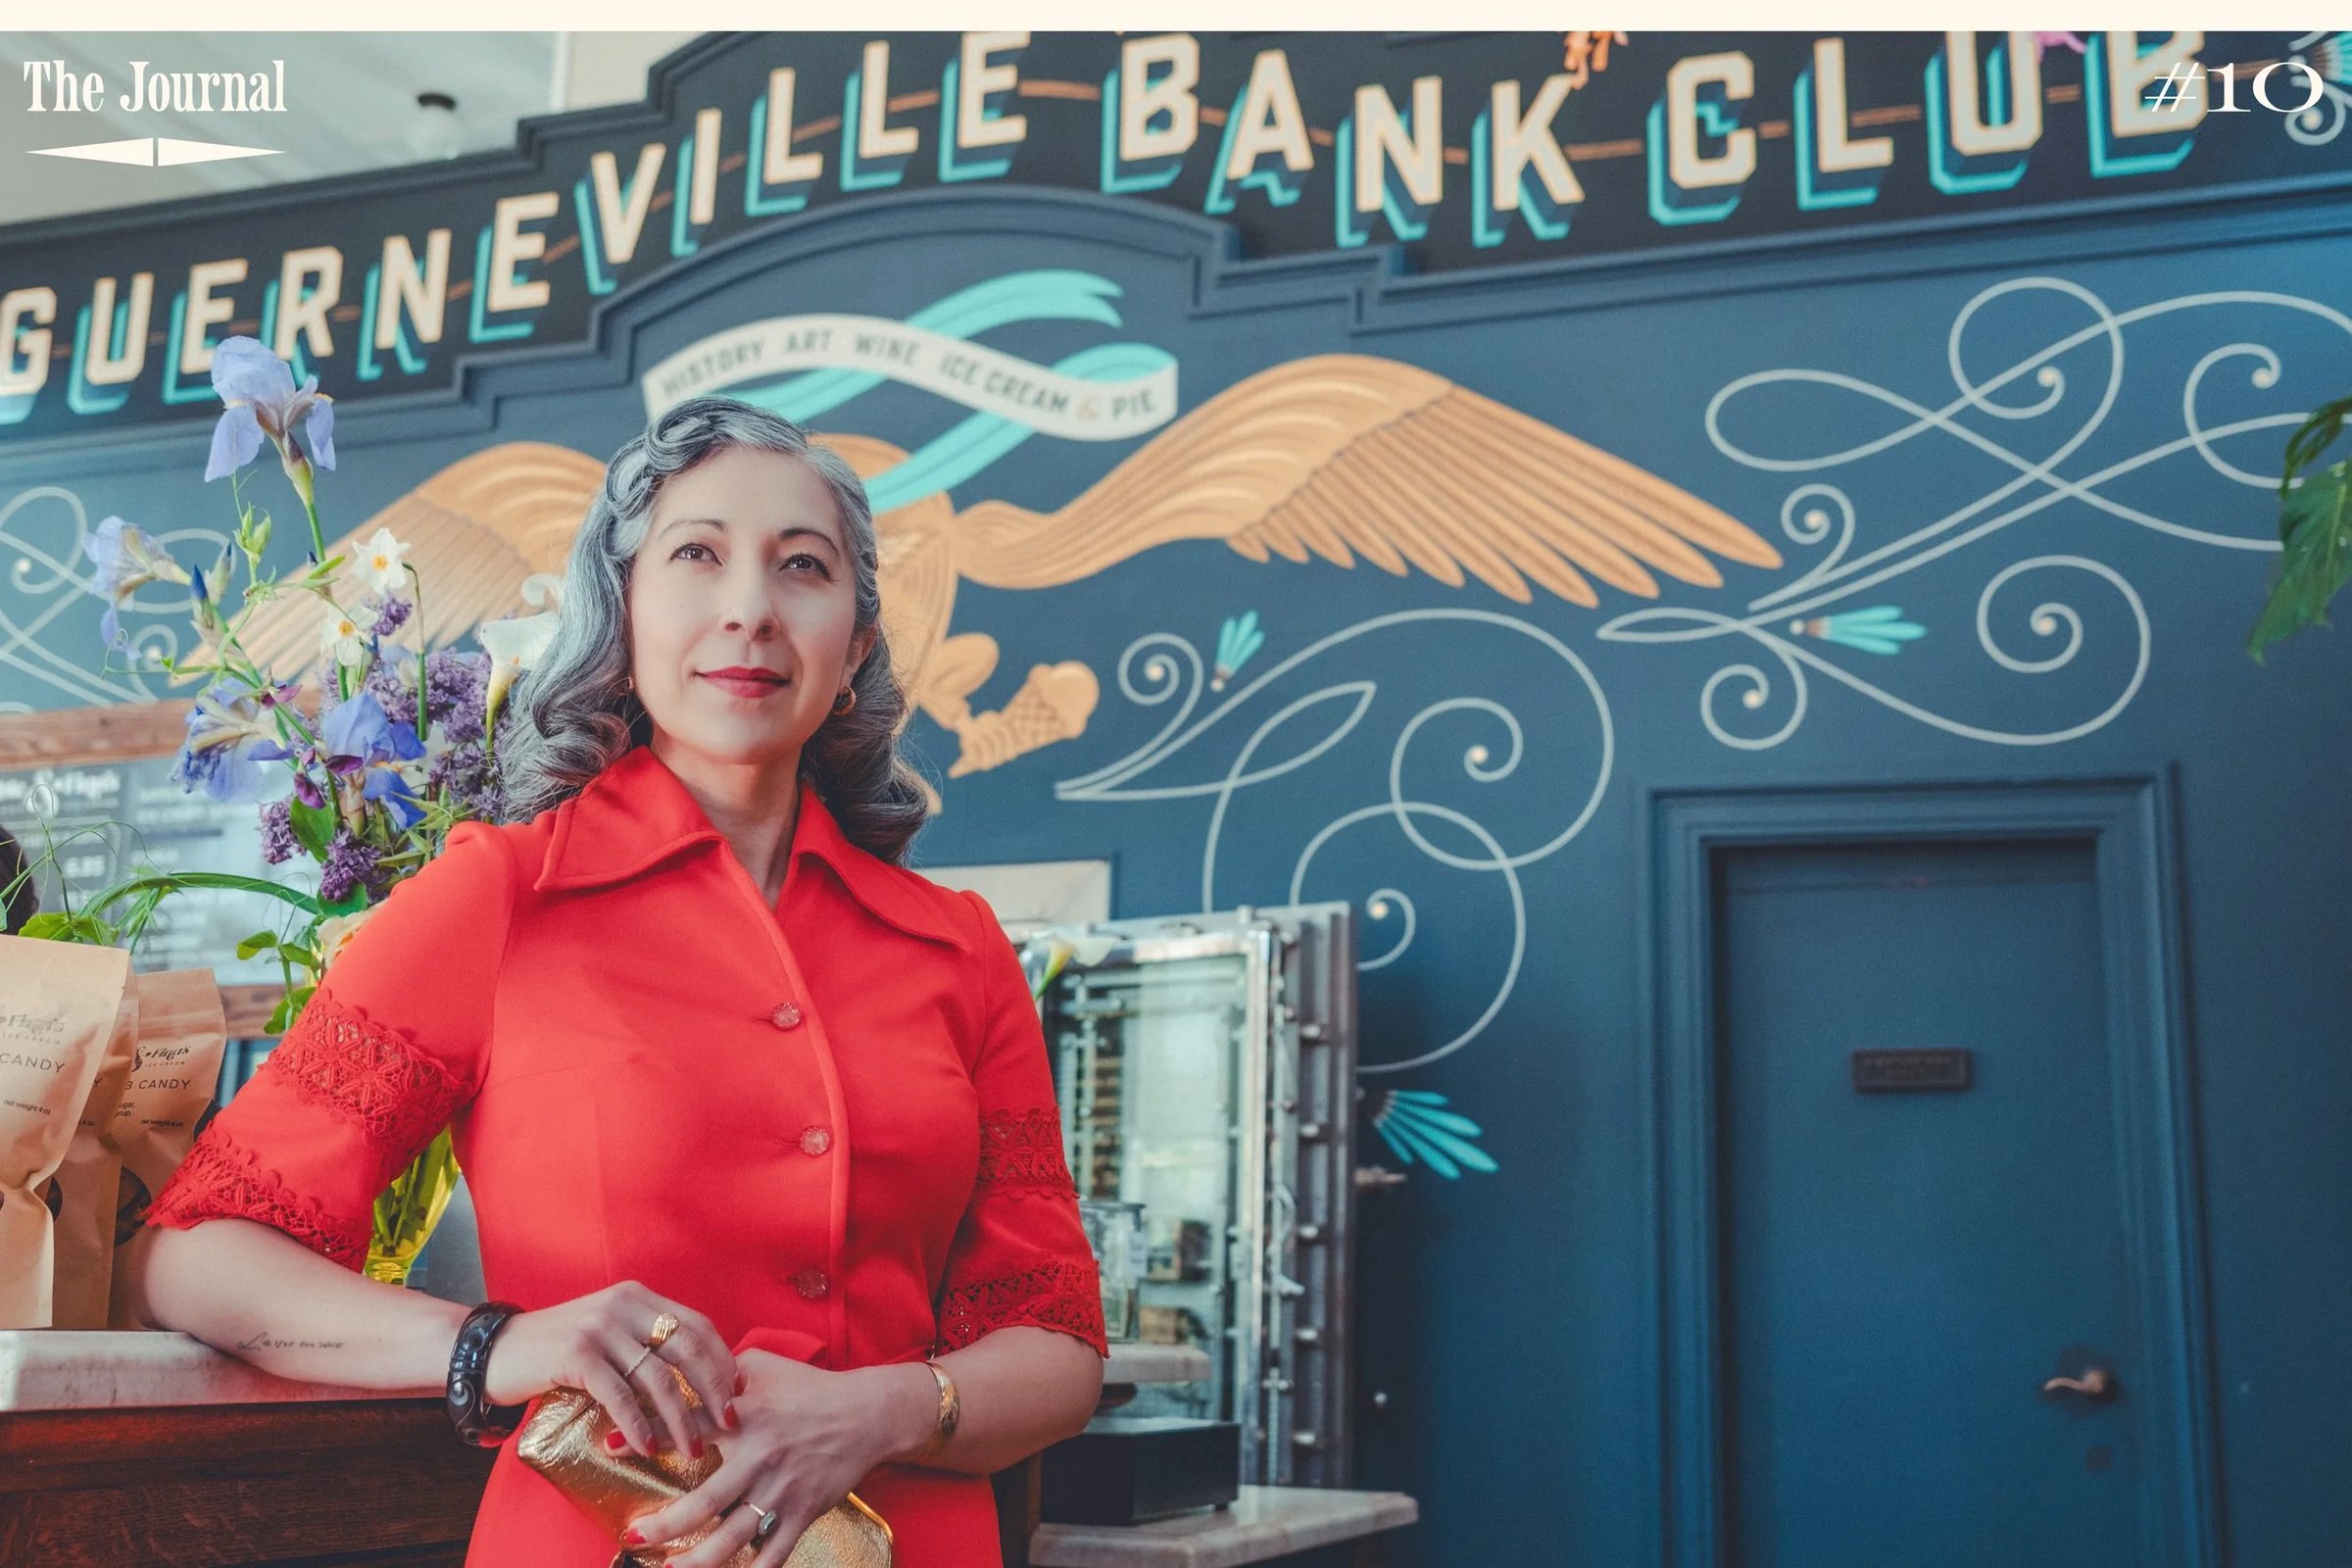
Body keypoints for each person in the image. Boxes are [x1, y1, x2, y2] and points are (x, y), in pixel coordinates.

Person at [122, 397, 1108, 1568]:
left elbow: (1055, 1341)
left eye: (804, 566)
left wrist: (883, 1409)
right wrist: (501, 1343)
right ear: (623, 610)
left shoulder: (960, 947)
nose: (749, 606)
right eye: (697, 554)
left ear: (851, 650)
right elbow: (194, 1254)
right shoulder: (497, 899)